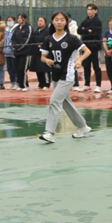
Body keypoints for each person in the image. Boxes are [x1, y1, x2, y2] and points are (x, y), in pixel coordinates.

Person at [39, 12, 92, 143]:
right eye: (56, 19)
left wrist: (79, 60)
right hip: (56, 75)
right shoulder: (48, 39)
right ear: (52, 22)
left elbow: (87, 51)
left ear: (66, 22)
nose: (59, 22)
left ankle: (49, 132)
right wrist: (47, 61)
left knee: (54, 100)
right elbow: (43, 57)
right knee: (65, 103)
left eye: (62, 20)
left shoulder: (71, 38)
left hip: (68, 75)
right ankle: (82, 126)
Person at [77, 3, 104, 93]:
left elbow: (94, 32)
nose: (89, 11)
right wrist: (87, 30)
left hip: (95, 47)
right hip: (85, 47)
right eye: (88, 9)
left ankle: (98, 85)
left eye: (91, 10)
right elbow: (79, 30)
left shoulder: (98, 21)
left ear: (95, 11)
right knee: (86, 66)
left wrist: (86, 30)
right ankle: (87, 85)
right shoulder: (85, 20)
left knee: (96, 67)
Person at [13, 14, 33, 91]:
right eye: (18, 18)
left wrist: (20, 47)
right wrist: (15, 47)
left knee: (22, 68)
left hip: (25, 52)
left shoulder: (28, 27)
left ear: (24, 19)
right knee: (17, 69)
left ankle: (25, 85)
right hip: (16, 52)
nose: (19, 19)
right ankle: (20, 84)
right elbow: (13, 38)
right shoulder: (17, 28)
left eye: (20, 18)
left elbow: (27, 39)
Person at [30, 16, 52, 90]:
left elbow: (49, 41)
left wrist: (43, 45)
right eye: (38, 21)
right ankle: (41, 84)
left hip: (44, 53)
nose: (39, 22)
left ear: (45, 22)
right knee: (38, 69)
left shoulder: (48, 31)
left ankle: (47, 84)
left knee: (45, 69)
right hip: (36, 53)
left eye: (41, 21)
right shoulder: (36, 31)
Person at [3, 16, 18, 90]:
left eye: (10, 20)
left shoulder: (16, 29)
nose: (9, 22)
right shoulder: (6, 30)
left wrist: (12, 47)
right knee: (9, 68)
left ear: (14, 21)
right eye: (8, 20)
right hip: (6, 52)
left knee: (15, 68)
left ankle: (17, 82)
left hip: (13, 52)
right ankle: (12, 82)